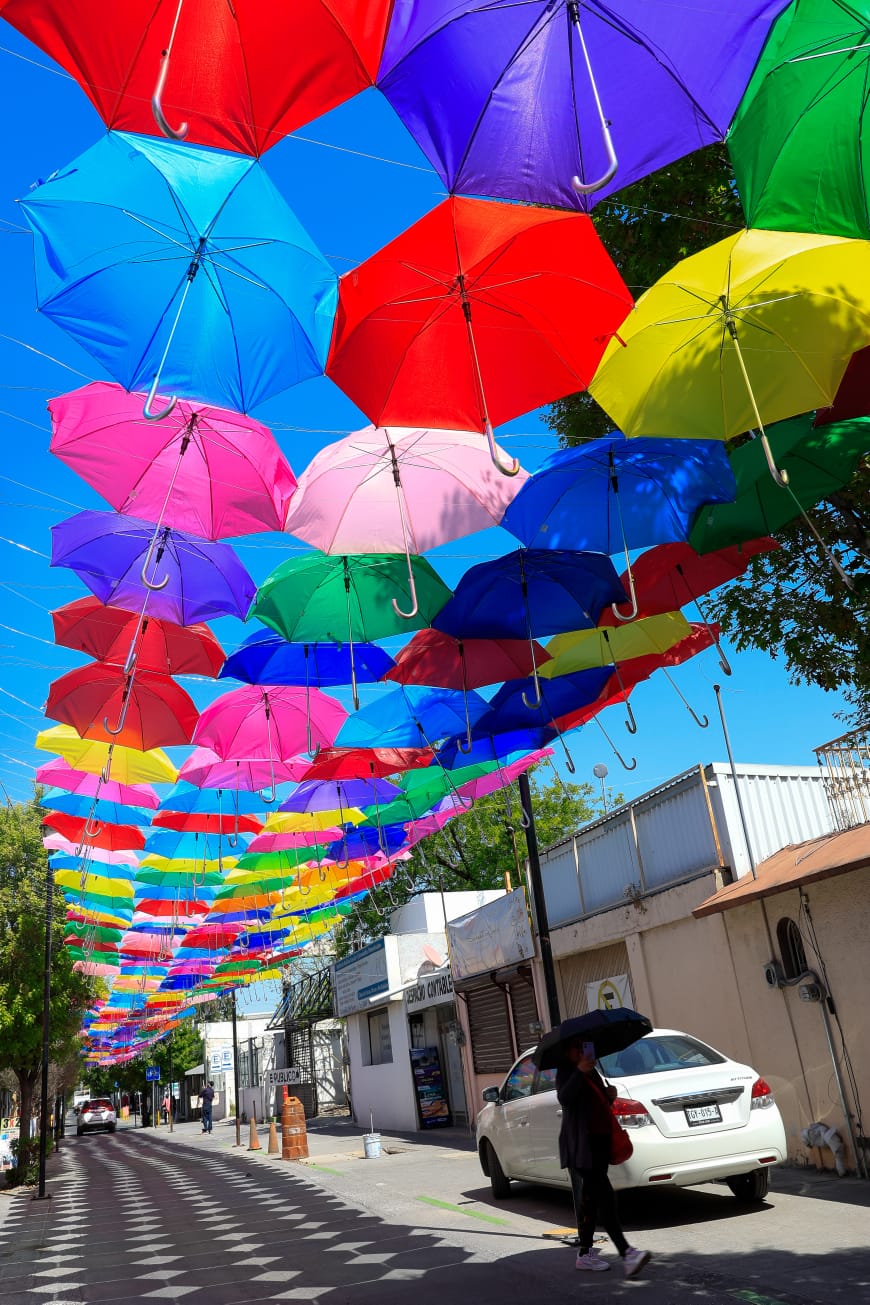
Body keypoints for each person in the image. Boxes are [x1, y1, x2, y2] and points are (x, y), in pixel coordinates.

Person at [556, 1037, 651, 1278]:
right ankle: (627, 1253)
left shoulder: (593, 1072)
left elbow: (598, 1103)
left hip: (598, 1143)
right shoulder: (567, 1072)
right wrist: (580, 1072)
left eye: (585, 1047)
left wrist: (609, 1094)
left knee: (590, 1200)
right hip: (582, 1146)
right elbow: (565, 1099)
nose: (584, 1052)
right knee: (605, 1198)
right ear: (569, 1051)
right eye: (579, 1048)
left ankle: (585, 1254)